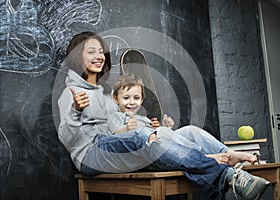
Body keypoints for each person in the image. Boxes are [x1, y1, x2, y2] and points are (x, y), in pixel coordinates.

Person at [57, 31, 269, 200]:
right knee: (144, 138)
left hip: (114, 147)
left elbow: (121, 125)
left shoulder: (105, 93)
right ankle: (229, 176)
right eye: (91, 52)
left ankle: (228, 156)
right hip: (90, 155)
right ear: (77, 56)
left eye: (101, 51)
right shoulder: (72, 92)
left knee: (190, 132)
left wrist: (153, 125)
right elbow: (67, 139)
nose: (99, 56)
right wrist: (76, 110)